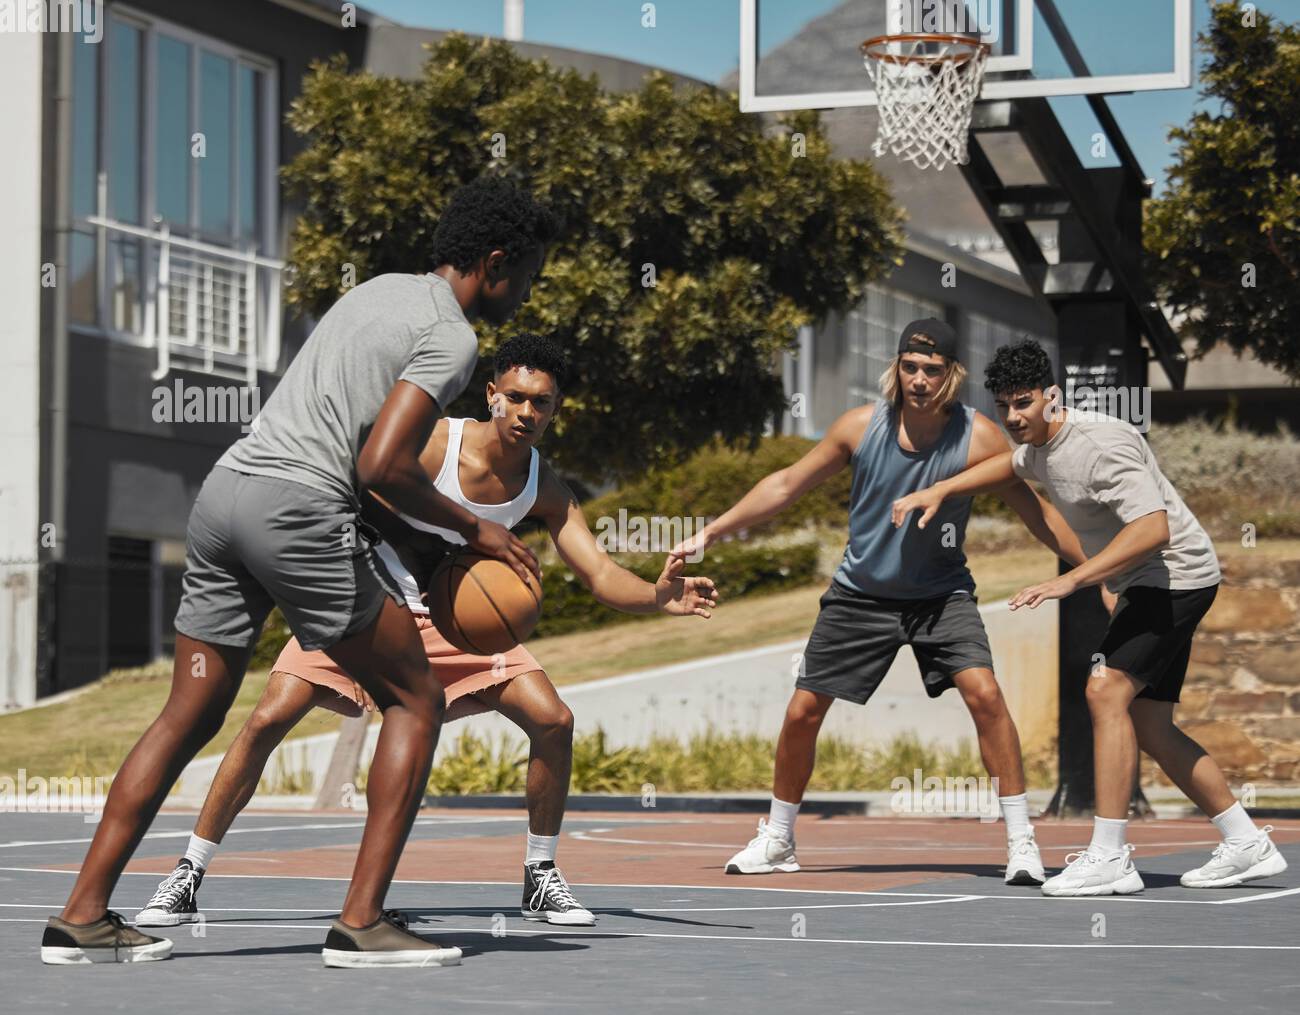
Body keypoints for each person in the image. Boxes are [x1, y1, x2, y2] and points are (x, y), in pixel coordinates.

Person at [42, 177, 557, 967]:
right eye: (526, 274)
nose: (526, 291)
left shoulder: (377, 292)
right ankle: (362, 924)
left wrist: (421, 546)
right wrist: (473, 529)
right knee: (416, 696)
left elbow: (345, 452)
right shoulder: (452, 340)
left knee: (188, 712)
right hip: (295, 513)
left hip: (226, 497)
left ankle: (80, 917)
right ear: (494, 262)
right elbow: (379, 463)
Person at [134, 333, 719, 932]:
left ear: (555, 409)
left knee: (554, 720)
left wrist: (657, 596)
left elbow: (598, 573)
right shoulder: (438, 442)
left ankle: (540, 877)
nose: (526, 412)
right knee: (267, 719)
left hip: (458, 626)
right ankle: (187, 873)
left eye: (541, 402)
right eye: (514, 397)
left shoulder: (545, 487)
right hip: (369, 605)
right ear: (491, 395)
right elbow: (354, 478)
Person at [670, 319, 1090, 885]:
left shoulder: (979, 436)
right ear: (896, 368)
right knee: (802, 713)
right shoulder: (858, 427)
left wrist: (1093, 569)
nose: (919, 379)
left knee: (985, 696)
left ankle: (1021, 844)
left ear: (951, 375)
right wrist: (711, 532)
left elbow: (1034, 512)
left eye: (933, 370)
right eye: (910, 367)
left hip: (941, 595)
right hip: (859, 595)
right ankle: (778, 838)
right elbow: (786, 484)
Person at [892, 337, 1287, 896]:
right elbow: (1008, 465)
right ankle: (1247, 842)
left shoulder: (1102, 445)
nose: (1013, 416)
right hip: (1152, 581)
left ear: (1052, 396)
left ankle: (1110, 857)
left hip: (1173, 577)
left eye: (1024, 403)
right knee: (1149, 724)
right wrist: (939, 489)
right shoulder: (1037, 446)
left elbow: (1153, 529)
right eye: (1003, 405)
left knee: (1104, 692)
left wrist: (1075, 579)